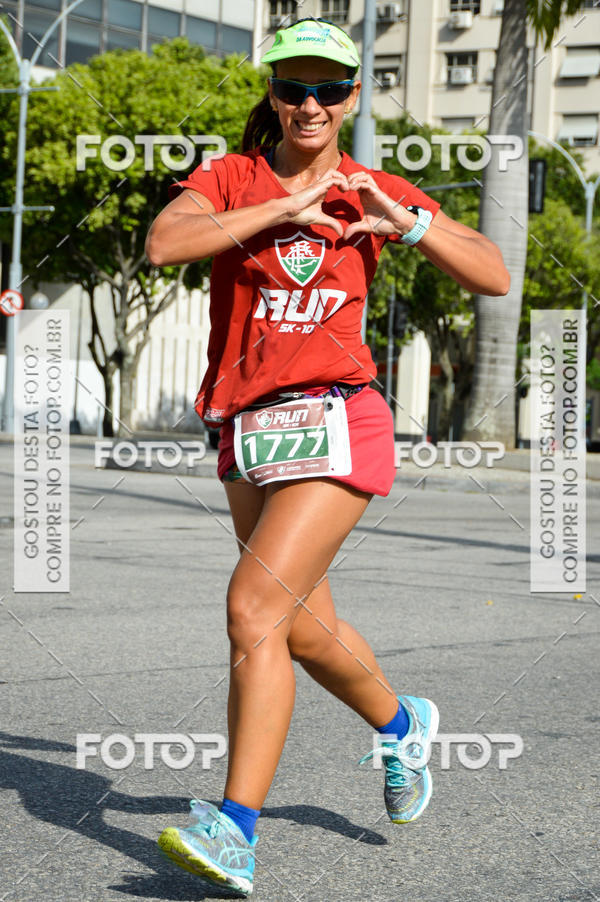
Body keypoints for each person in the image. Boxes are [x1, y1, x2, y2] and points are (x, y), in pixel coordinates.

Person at [145, 17, 509, 896]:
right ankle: (399, 723)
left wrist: (409, 228)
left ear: (354, 96)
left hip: (341, 414)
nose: (311, 104)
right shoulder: (231, 177)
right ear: (272, 93)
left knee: (252, 610)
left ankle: (234, 831)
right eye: (294, 87)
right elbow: (166, 243)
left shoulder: (375, 185)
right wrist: (284, 207)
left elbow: (494, 271)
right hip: (244, 425)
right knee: (301, 628)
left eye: (330, 88)